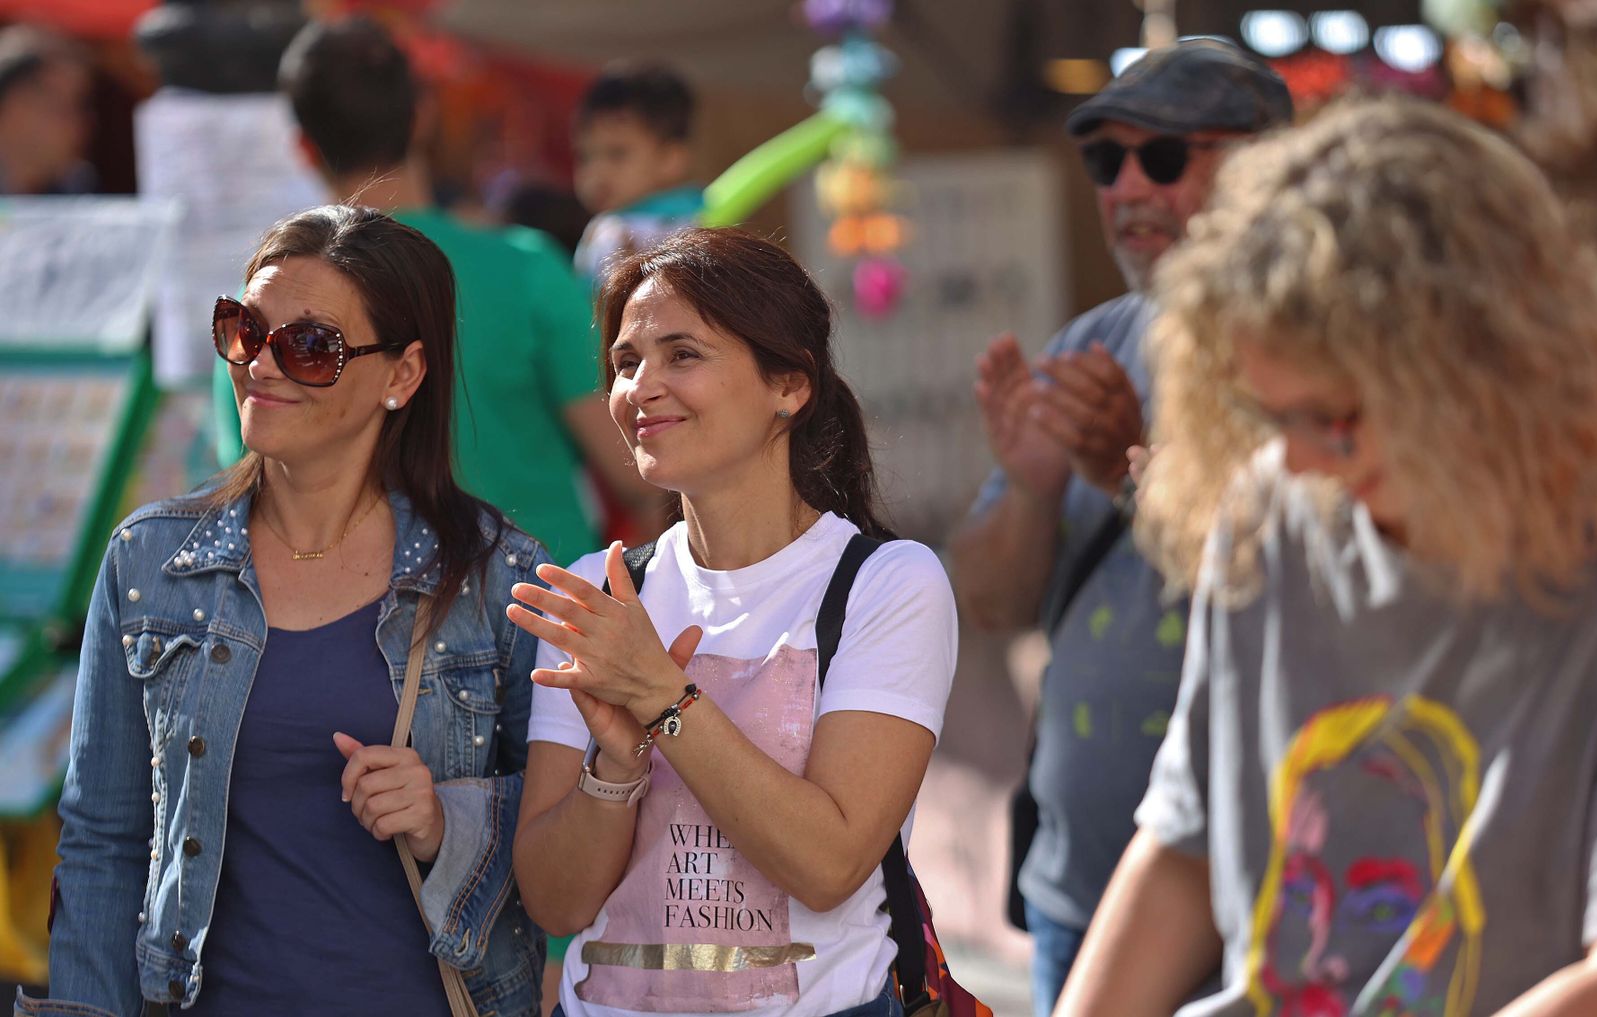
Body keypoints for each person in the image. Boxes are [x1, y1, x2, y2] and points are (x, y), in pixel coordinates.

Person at [1058, 97, 1597, 1016]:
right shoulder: (1274, 505)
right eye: (1273, 415)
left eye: (1335, 419)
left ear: (1482, 370)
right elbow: (1185, 849)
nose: (1298, 458)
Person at [22, 205, 549, 1016]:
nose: (261, 364)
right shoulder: (153, 561)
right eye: (243, 328)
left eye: (309, 346)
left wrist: (451, 820)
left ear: (403, 375)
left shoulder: (494, 575)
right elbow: (102, 844)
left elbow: (572, 843)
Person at [507, 227, 957, 1017]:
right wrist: (612, 767)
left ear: (789, 384)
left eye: (683, 354)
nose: (641, 387)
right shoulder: (598, 591)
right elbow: (555, 901)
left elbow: (827, 862)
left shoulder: (887, 584)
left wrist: (662, 699)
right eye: (625, 362)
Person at [947, 39, 1292, 1017]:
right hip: (1085, 891)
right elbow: (991, 601)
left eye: (1168, 156)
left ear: (1271, 165)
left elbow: (1317, 583)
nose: (1129, 187)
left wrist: (1131, 475)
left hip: (1269, 894)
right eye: (1106, 162)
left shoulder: (1331, 353)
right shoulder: (1090, 344)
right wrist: (1025, 490)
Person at [212, 16, 665, 564]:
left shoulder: (259, 313)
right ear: (422, 118)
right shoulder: (526, 270)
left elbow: (253, 485)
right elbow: (635, 470)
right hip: (539, 612)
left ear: (305, 147)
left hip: (356, 616)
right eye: (313, 349)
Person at [571, 63, 704, 284]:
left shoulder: (611, 232)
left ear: (670, 159)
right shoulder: (707, 213)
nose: (596, 171)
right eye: (584, 157)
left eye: (617, 154)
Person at [0, 24, 93, 195]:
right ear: (10, 107)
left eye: (80, 106)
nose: (78, 124)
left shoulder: (75, 186)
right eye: (60, 106)